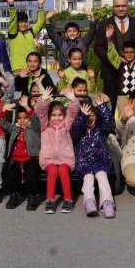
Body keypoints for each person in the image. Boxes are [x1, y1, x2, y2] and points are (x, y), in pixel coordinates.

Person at [93, 0, 135, 110]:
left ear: (128, 7)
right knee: (110, 106)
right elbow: (98, 47)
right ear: (113, 7)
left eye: (123, 5)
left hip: (133, 74)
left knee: (134, 105)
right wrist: (114, 61)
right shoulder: (104, 24)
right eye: (117, 6)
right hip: (111, 73)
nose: (120, 8)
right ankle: (110, 128)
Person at [35, 84, 80, 214]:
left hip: (65, 158)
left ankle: (67, 199)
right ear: (49, 116)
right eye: (53, 115)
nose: (57, 118)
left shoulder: (66, 125)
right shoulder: (45, 126)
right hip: (48, 159)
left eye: (60, 115)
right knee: (53, 170)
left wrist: (73, 100)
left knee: (63, 169)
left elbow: (73, 113)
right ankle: (50, 200)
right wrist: (43, 100)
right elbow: (40, 113)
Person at [70, 93, 116, 218]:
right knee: (88, 180)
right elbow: (73, 132)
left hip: (100, 161)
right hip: (84, 162)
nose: (90, 118)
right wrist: (82, 116)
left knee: (102, 178)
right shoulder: (81, 131)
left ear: (96, 116)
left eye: (92, 115)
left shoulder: (101, 129)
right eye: (87, 116)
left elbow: (111, 125)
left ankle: (107, 203)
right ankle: (89, 202)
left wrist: (102, 107)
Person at [0, 95, 41, 211]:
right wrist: (3, 110)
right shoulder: (14, 129)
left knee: (31, 177)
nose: (22, 121)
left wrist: (27, 107)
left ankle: (32, 197)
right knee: (11, 176)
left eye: (25, 118)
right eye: (20, 118)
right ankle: (14, 196)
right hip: (16, 159)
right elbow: (1, 123)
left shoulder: (33, 128)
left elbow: (36, 120)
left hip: (30, 158)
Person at [104, 25, 135, 118]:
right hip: (122, 96)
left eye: (132, 52)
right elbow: (112, 54)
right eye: (126, 52)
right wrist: (109, 39)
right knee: (123, 118)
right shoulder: (119, 62)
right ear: (122, 53)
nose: (129, 54)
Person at [4, 0, 47, 73]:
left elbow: (41, 22)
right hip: (18, 70)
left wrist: (40, 6)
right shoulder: (13, 33)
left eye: (25, 22)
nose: (23, 24)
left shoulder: (31, 32)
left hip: (33, 69)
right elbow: (12, 20)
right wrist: (11, 5)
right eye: (20, 22)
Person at [44, 6, 95, 70]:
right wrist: (47, 19)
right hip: (66, 75)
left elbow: (92, 33)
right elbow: (52, 35)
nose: (72, 33)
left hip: (82, 74)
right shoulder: (61, 43)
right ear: (66, 33)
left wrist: (92, 16)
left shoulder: (83, 42)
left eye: (74, 31)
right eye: (69, 31)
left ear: (78, 33)